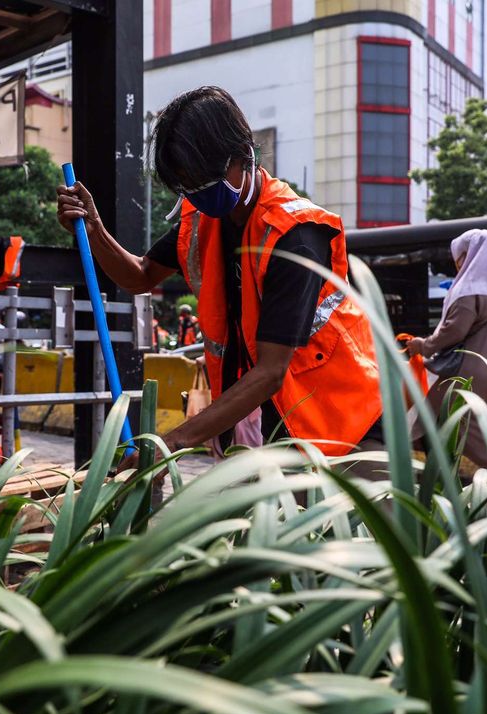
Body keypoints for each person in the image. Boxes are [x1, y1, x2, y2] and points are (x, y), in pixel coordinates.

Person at [57, 86, 383, 461]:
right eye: (186, 185)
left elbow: (271, 371)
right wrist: (95, 229)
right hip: (276, 426)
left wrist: (172, 442)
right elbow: (140, 276)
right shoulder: (202, 221)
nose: (197, 192)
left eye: (203, 177)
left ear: (243, 152)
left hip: (346, 425)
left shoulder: (294, 235)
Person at [406, 229, 487, 469]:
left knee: (422, 420)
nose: (457, 264)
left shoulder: (469, 292)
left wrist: (422, 345)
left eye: (459, 258)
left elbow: (453, 332)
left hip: (468, 374)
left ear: (468, 257)